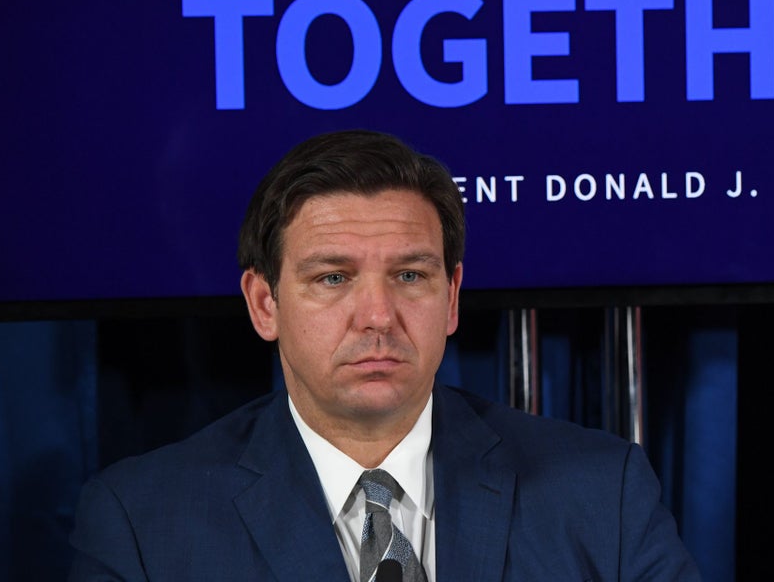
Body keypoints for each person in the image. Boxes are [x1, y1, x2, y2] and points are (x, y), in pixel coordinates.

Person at [68, 129, 702, 581]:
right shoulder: (142, 523)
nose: (377, 316)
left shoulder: (603, 495)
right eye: (333, 278)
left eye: (409, 276)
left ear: (451, 298)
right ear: (264, 304)